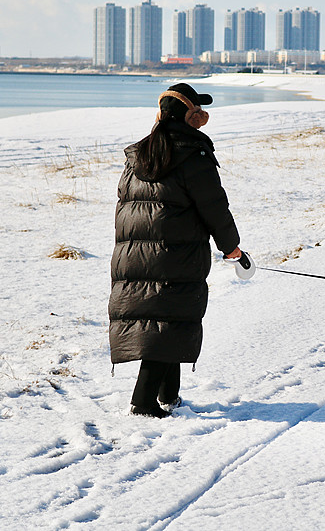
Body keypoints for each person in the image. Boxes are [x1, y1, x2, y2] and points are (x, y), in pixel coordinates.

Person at [108, 83, 242, 418]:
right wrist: (231, 247)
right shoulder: (193, 154)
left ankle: (169, 395)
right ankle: (143, 402)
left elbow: (124, 204)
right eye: (198, 111)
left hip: (133, 253)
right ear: (189, 116)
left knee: (169, 319)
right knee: (168, 321)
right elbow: (214, 207)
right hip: (176, 253)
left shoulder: (140, 153)